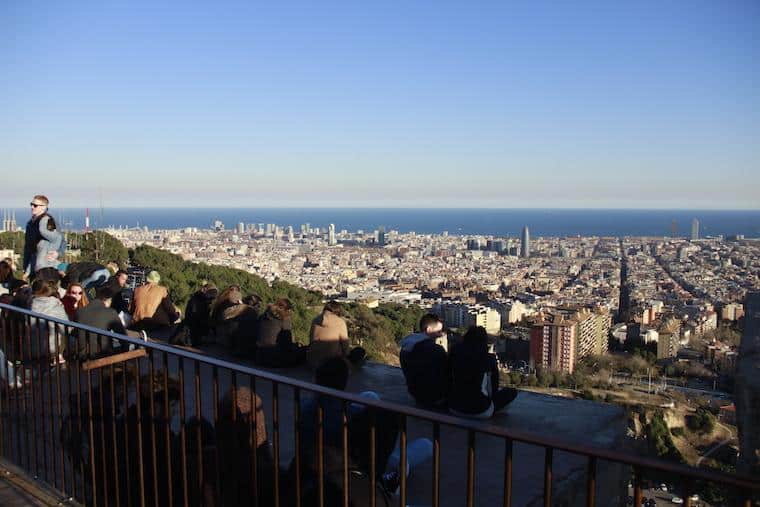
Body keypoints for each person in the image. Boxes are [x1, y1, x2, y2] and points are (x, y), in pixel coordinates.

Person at [287, 357, 432, 506]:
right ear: (345, 382)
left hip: (331, 460)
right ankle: (393, 475)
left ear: (316, 379)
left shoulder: (305, 407)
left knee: (370, 396)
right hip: (354, 465)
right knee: (426, 445)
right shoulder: (350, 417)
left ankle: (392, 471)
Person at [448, 326, 518, 419]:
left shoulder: (454, 353)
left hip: (454, 408)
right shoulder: (488, 359)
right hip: (480, 410)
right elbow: (493, 389)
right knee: (511, 392)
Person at [399, 313, 449, 408]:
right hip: (436, 396)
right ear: (428, 329)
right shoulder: (436, 350)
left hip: (415, 393)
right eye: (439, 331)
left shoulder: (406, 346)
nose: (441, 334)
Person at [74, 282, 128, 359]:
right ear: (108, 300)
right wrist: (125, 349)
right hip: (103, 355)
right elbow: (122, 336)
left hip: (82, 355)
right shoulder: (111, 312)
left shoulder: (80, 312)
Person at [23, 195, 63, 280]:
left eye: (35, 205)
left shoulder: (50, 221)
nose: (32, 207)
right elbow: (28, 246)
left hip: (47, 268)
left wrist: (58, 253)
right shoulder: (30, 224)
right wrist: (25, 266)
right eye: (31, 204)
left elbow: (61, 240)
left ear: (44, 207)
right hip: (33, 266)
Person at [255, 298, 305, 367]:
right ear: (288, 309)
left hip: (259, 356)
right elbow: (287, 343)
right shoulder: (284, 319)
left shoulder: (263, 316)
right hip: (275, 358)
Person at [130, 270, 180, 339]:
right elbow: (169, 309)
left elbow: (131, 310)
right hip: (156, 327)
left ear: (147, 279)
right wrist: (176, 316)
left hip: (137, 325)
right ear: (157, 280)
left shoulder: (137, 289)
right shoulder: (162, 290)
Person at [29, 278, 68, 362]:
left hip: (32, 346)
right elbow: (66, 327)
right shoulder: (55, 305)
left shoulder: (29, 304)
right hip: (52, 347)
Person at [307, 301, 352, 369]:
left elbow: (311, 339)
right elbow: (345, 345)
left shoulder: (315, 320)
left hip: (313, 361)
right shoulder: (340, 322)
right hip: (330, 364)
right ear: (337, 311)